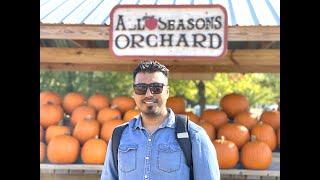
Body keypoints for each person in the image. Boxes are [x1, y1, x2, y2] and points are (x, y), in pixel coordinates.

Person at [100, 60, 220, 180]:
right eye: (141, 88)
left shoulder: (194, 136)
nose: (148, 94)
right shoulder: (119, 136)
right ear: (134, 93)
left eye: (156, 88)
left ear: (167, 92)